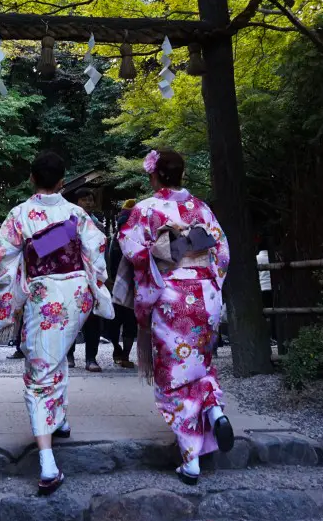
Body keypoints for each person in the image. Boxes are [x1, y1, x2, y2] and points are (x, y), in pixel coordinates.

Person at [0, 151, 113, 495]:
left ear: (31, 178)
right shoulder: (76, 213)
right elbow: (97, 248)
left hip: (45, 295)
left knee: (40, 369)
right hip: (77, 295)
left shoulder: (21, 214)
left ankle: (47, 462)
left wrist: (28, 256)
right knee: (55, 355)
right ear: (62, 181)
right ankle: (62, 419)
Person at [119, 149, 233, 485]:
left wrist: (159, 254)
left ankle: (190, 460)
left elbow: (131, 249)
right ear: (181, 174)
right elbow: (222, 251)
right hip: (206, 294)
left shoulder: (146, 209)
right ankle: (215, 410)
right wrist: (212, 283)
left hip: (172, 296)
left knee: (173, 377)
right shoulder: (202, 208)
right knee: (201, 364)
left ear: (154, 175)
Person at [67, 186, 105, 372]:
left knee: (93, 318)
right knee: (72, 317)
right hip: (74, 274)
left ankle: (91, 357)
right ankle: (69, 355)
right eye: (84, 200)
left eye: (90, 199)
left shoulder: (98, 224)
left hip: (95, 275)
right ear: (76, 202)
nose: (89, 203)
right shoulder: (68, 222)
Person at [107, 199, 138, 368]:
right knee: (114, 320)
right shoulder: (114, 240)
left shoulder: (136, 240)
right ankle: (118, 348)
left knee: (128, 321)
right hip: (116, 284)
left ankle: (124, 353)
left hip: (133, 285)